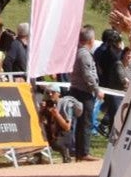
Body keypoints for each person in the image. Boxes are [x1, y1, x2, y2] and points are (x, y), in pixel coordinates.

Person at [67, 26, 101, 162]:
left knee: (80, 123)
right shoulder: (84, 54)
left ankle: (79, 152)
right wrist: (97, 89)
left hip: (76, 89)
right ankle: (84, 152)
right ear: (91, 40)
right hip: (84, 92)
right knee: (86, 122)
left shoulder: (77, 52)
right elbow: (88, 75)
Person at [93, 29, 126, 133]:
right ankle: (108, 127)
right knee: (115, 109)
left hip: (102, 81)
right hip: (112, 84)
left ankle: (105, 125)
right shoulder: (112, 54)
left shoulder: (99, 50)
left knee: (111, 109)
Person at [38, 87, 77, 163]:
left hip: (64, 133)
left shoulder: (66, 105)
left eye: (53, 92)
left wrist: (57, 115)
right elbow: (40, 122)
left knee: (56, 144)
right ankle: (38, 157)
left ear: (59, 94)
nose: (50, 94)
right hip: (51, 132)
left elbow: (67, 127)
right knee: (38, 136)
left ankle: (65, 153)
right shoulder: (46, 105)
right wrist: (41, 111)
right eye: (48, 93)